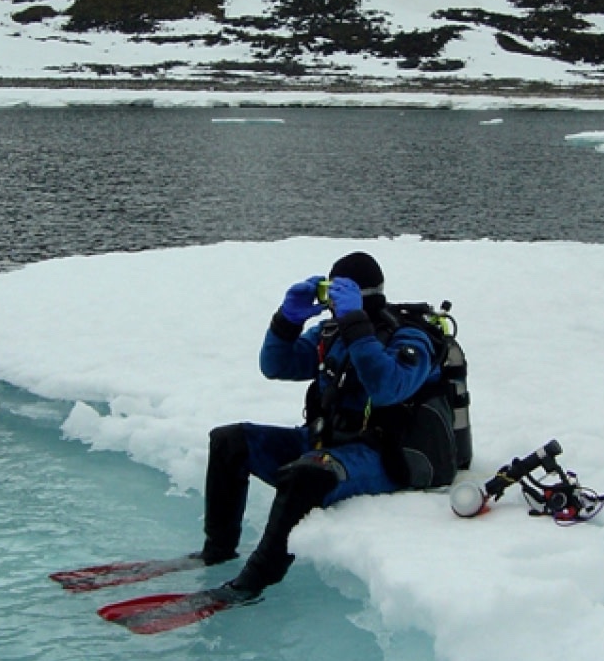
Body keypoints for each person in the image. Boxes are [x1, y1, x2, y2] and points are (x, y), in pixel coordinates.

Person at [191, 251, 447, 602]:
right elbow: (276, 365)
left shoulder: (413, 337)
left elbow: (388, 388)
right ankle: (217, 550)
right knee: (230, 441)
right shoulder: (333, 333)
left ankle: (253, 582)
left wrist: (357, 325)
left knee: (306, 474)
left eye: (337, 293)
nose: (329, 303)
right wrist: (286, 320)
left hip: (385, 456)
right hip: (327, 441)